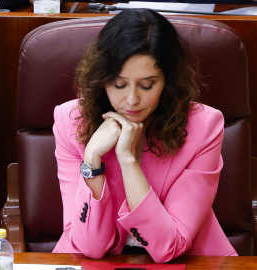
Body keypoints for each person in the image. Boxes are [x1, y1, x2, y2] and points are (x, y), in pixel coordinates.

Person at [52, 8, 237, 263]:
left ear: (167, 81)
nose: (131, 100)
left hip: (190, 262)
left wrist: (128, 160)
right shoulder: (70, 121)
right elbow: (89, 247)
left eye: (147, 85)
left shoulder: (204, 126)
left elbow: (168, 248)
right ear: (101, 79)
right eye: (119, 84)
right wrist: (92, 160)